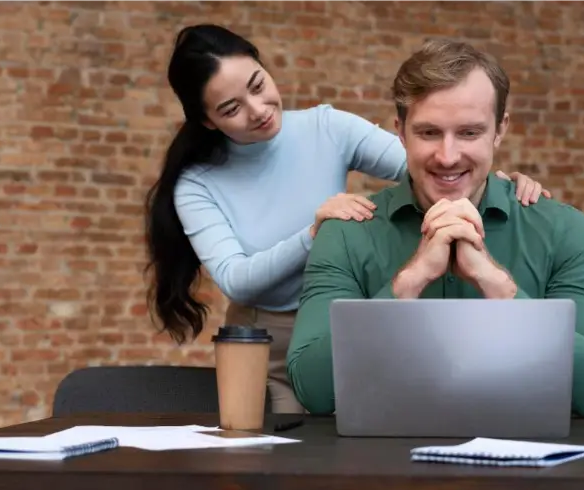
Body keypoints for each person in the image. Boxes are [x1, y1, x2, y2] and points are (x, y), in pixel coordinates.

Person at [143, 24, 555, 414]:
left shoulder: (327, 127)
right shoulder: (196, 185)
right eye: (231, 108)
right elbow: (236, 278)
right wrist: (313, 233)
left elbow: (429, 167)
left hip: (351, 316)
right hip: (271, 338)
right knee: (294, 455)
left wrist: (497, 180)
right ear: (206, 120)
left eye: (258, 85)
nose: (258, 109)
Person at [285, 38, 584, 418]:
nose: (448, 157)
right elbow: (313, 390)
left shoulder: (563, 230)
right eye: (429, 132)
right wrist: (410, 280)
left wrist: (497, 284)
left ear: (500, 129)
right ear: (400, 131)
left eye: (469, 133)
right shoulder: (347, 232)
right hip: (380, 466)